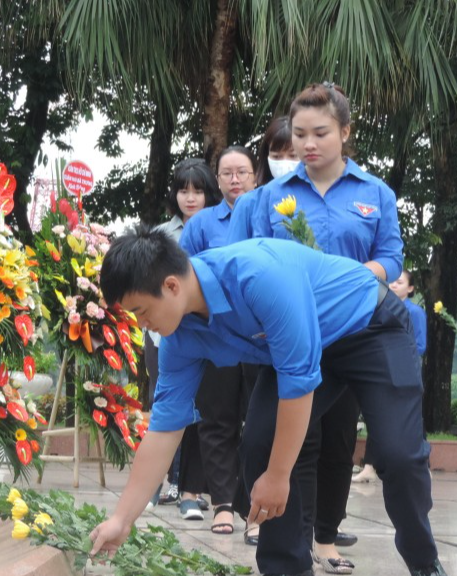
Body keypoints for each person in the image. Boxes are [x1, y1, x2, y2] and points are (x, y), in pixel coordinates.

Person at [90, 229, 446, 576]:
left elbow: (298, 383)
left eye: (141, 311)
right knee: (260, 445)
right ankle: (287, 568)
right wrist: (122, 520)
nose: (142, 324)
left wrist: (278, 477)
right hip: (304, 349)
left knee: (399, 455)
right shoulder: (179, 339)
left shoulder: (259, 277)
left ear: (171, 285)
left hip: (369, 325)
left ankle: (423, 561)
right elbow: (165, 428)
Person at [228, 82, 404, 572]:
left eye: (320, 133)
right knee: (269, 441)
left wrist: (354, 278)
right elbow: (251, 261)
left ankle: (327, 535)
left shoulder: (376, 194)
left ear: (345, 133)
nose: (308, 144)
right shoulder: (267, 199)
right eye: (300, 134)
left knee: (340, 443)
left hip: (356, 336)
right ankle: (286, 560)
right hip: (291, 339)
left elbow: (390, 257)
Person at [178, 147, 259, 535]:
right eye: (226, 173)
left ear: (255, 176)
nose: (234, 179)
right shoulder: (202, 224)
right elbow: (182, 279)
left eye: (242, 172)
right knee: (218, 420)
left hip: (263, 338)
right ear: (218, 179)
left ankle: (257, 511)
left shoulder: (269, 215)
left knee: (260, 422)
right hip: (217, 337)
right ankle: (224, 505)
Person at [145, 159, 222, 509]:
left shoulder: (220, 232)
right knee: (165, 402)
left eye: (198, 190)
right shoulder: (160, 235)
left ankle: (190, 485)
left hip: (205, 335)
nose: (190, 198)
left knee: (202, 407)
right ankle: (166, 480)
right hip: (163, 338)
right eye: (183, 190)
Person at [353, 270, 426, 485]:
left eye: (400, 282)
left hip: (403, 369)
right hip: (379, 368)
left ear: (411, 289)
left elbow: (420, 345)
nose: (394, 285)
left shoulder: (415, 312)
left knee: (408, 419)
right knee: (375, 415)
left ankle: (420, 465)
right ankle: (369, 466)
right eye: (392, 281)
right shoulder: (378, 305)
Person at [256, 116, 298, 185]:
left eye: (293, 156)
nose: (285, 163)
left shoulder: (318, 194)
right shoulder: (258, 195)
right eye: (277, 157)